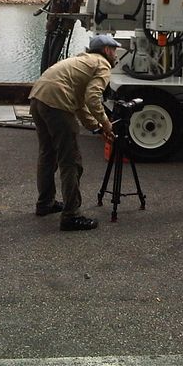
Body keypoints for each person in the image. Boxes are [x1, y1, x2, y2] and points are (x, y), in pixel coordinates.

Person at [29, 34, 119, 231]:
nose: (116, 53)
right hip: (57, 104)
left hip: (38, 98)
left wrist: (95, 126)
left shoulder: (81, 61)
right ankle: (71, 215)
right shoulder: (102, 64)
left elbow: (79, 103)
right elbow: (93, 97)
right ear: (106, 51)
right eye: (114, 50)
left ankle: (45, 203)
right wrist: (106, 123)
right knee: (70, 160)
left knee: (48, 154)